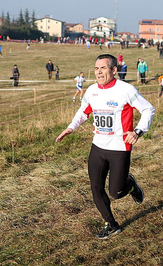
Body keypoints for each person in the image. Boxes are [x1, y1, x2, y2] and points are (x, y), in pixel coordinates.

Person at [56, 54, 155, 239]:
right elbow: (83, 112)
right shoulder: (92, 90)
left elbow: (148, 109)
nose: (99, 72)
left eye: (103, 68)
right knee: (96, 187)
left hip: (120, 148)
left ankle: (131, 186)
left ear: (114, 70)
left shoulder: (126, 90)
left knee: (116, 193)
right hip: (98, 147)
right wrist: (70, 128)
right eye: (96, 68)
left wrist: (138, 131)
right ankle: (111, 224)